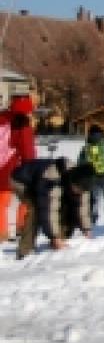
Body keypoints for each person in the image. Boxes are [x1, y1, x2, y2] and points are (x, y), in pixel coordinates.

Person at [10, 157, 94, 259]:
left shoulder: (84, 183)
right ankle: (25, 251)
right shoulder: (52, 179)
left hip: (41, 181)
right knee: (35, 210)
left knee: (66, 206)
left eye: (81, 190)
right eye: (77, 189)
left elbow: (83, 207)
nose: (79, 192)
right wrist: (54, 236)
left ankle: (60, 239)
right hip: (22, 181)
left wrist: (86, 229)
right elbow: (49, 210)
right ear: (71, 181)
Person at [0, 94, 37, 240]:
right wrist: (31, 167)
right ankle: (22, 228)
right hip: (15, 166)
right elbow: (27, 151)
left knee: (1, 201)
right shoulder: (22, 124)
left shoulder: (3, 118)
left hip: (2, 168)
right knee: (27, 197)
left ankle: (2, 232)